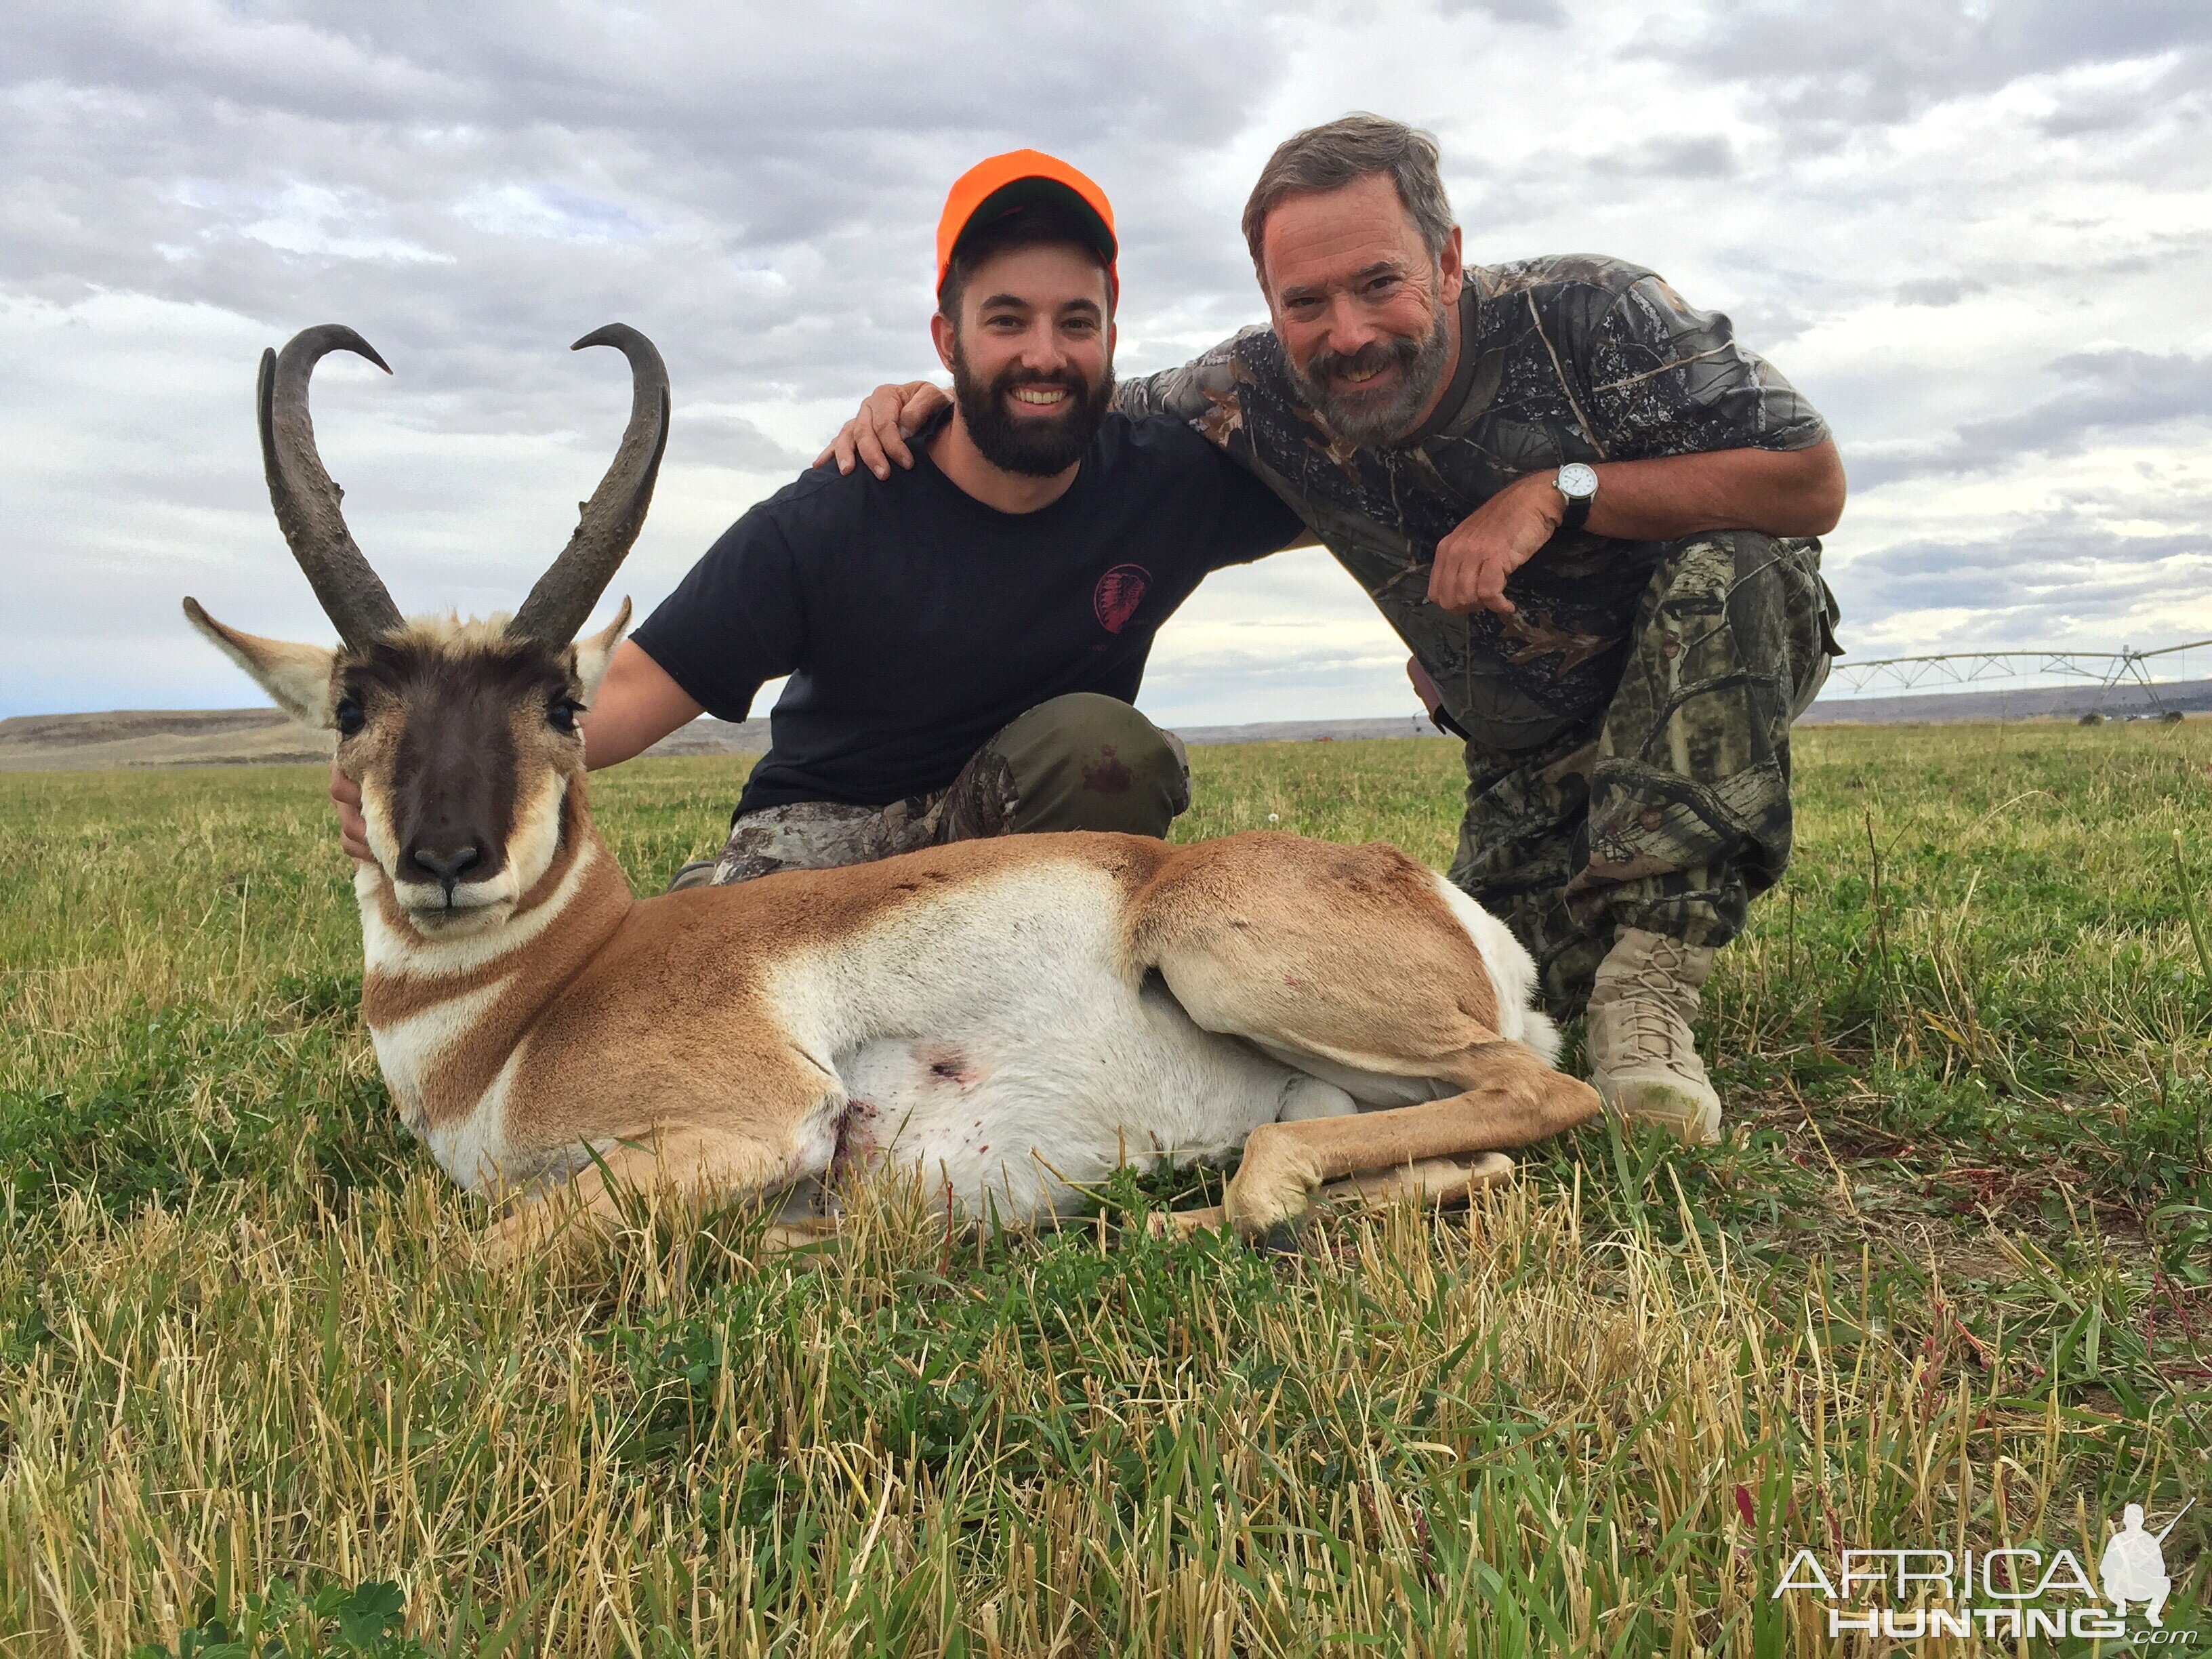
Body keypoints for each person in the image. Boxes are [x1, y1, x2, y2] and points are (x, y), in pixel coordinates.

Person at [827, 115, 1847, 1146]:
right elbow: (1070, 414)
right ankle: (1587, 966)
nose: (1347, 333)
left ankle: (1651, 994)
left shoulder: (1597, 314)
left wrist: (1556, 492)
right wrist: (937, 401)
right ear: (1269, 303)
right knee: (1455, 1006)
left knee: (1740, 569)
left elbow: (1810, 481)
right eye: (1303, 303)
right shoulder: (1251, 392)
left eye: (1378, 284)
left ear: (1447, 260)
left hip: (1689, 669)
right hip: (1527, 754)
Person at [335, 150, 1303, 887]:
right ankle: (719, 924)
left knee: (1111, 755)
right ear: (947, 339)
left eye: (1074, 322)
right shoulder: (832, 516)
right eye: (1006, 320)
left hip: (1008, 860)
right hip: (824, 855)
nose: (1043, 354)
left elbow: (1356, 501)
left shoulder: (1171, 481)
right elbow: (615, 698)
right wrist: (413, 767)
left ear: (1110, 335)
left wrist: (1463, 526)